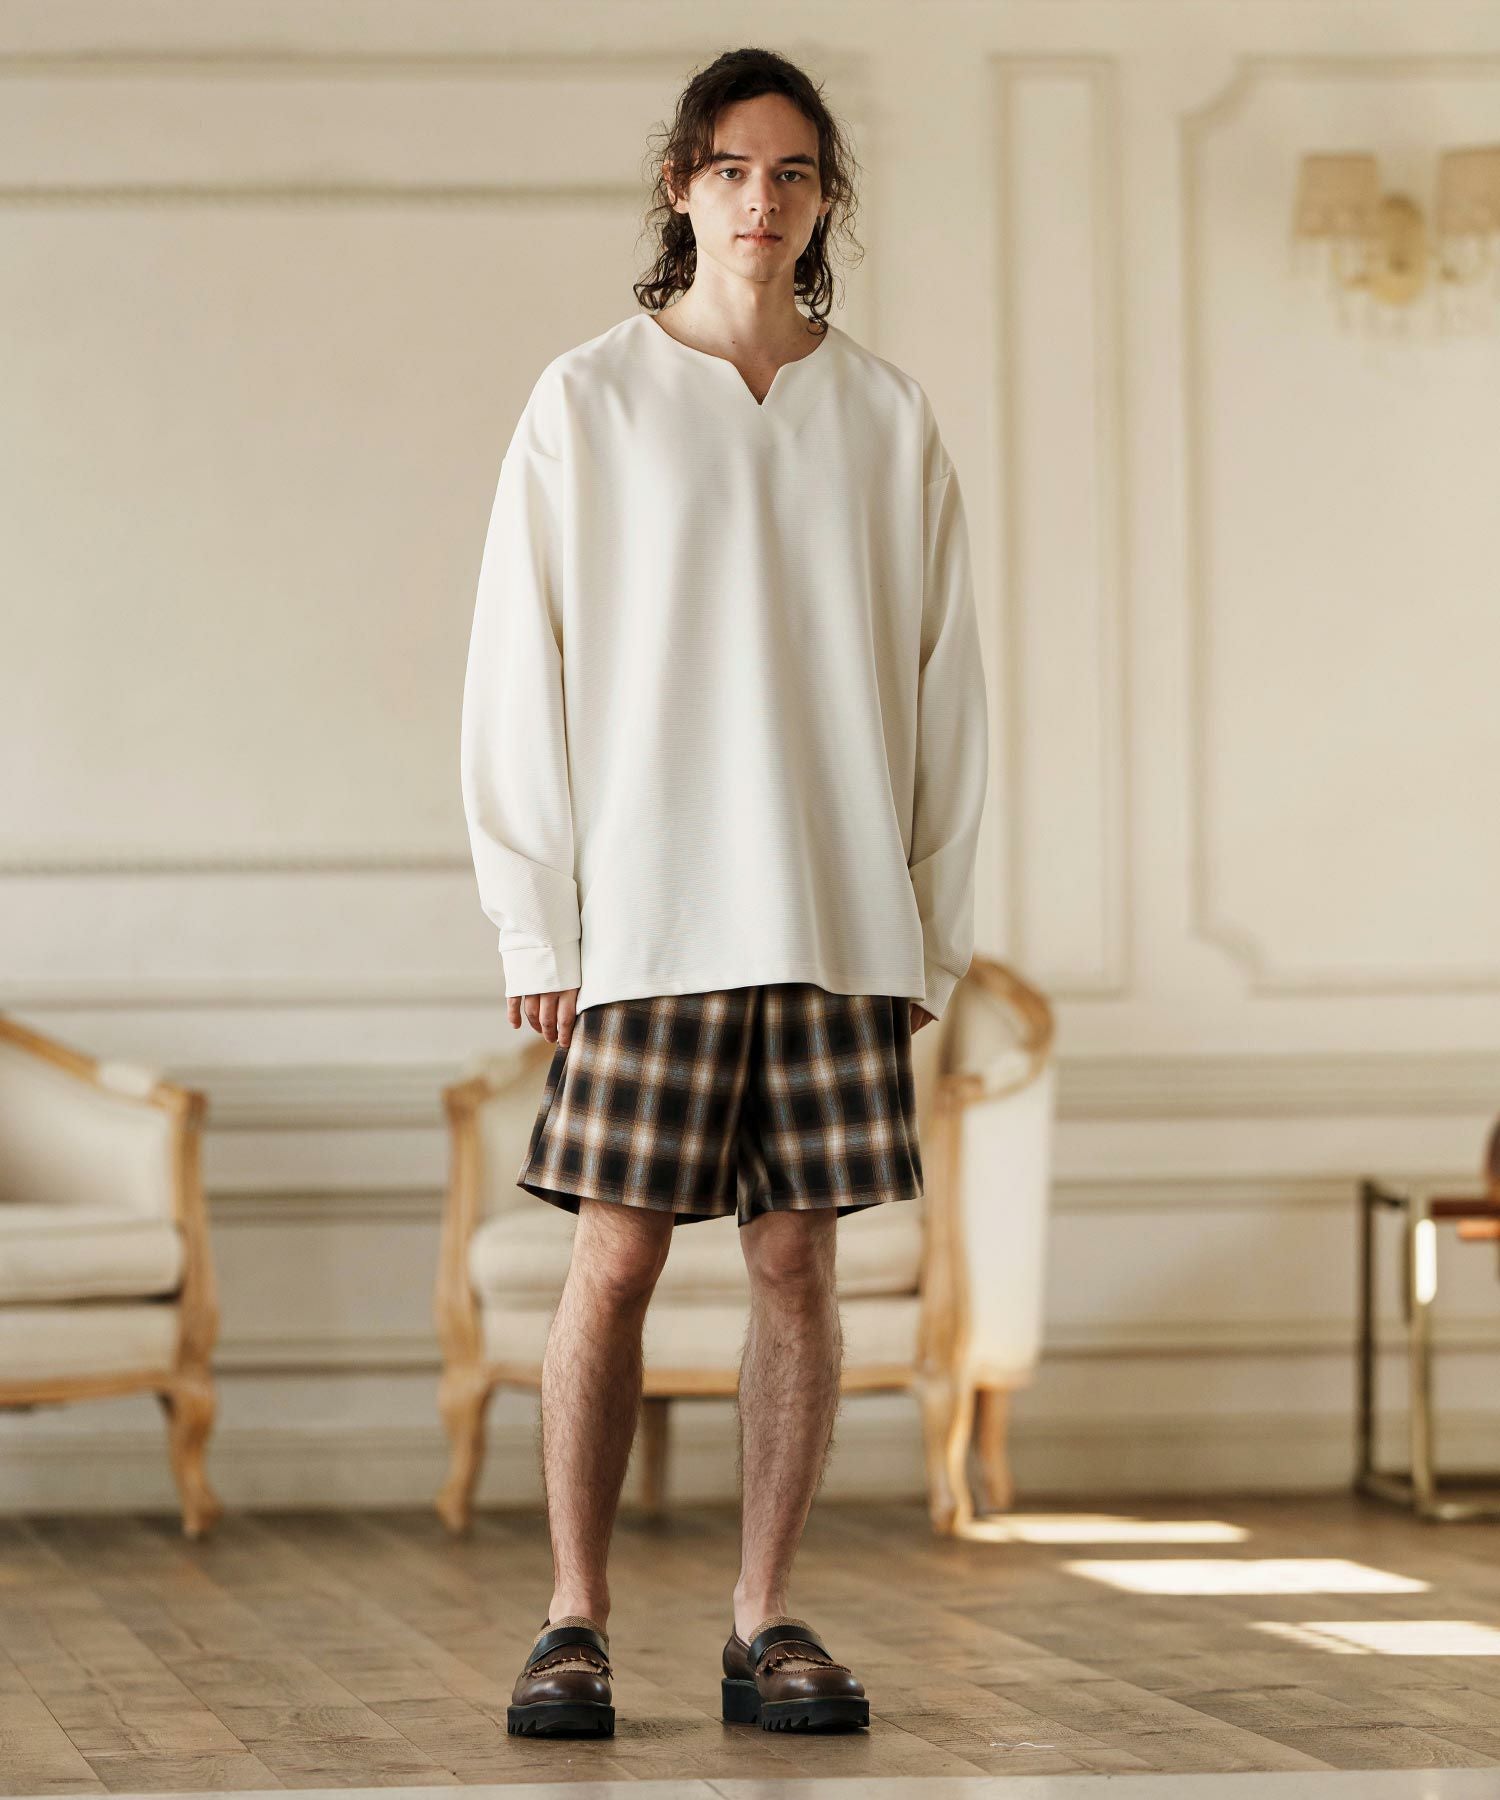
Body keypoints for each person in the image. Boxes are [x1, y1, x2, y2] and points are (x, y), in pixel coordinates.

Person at [460, 44, 988, 1740]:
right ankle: (572, 1621)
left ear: (826, 201)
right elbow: (515, 672)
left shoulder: (887, 417)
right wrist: (536, 918)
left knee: (795, 1272)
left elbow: (949, 691)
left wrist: (929, 929)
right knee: (612, 1262)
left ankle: (766, 1620)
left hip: (836, 913)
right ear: (682, 187)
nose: (764, 200)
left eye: (795, 173)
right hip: (648, 918)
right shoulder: (587, 402)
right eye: (734, 169)